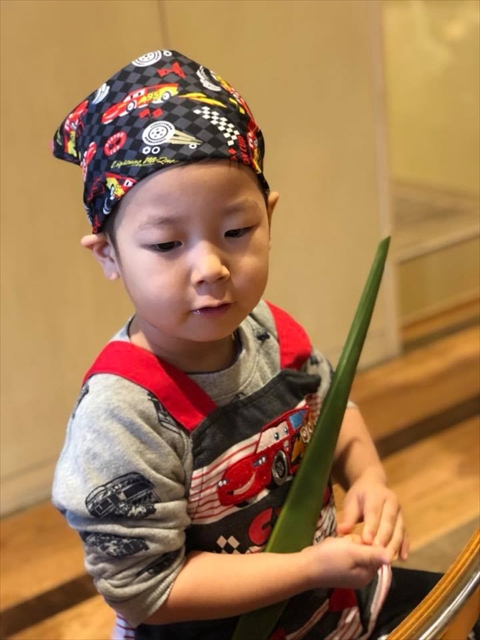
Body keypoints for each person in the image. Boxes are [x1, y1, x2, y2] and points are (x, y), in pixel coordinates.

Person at [51, 50, 453, 640]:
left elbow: (331, 414)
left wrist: (369, 478)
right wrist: (305, 568)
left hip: (331, 610)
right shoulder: (122, 418)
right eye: (166, 245)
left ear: (269, 218)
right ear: (108, 254)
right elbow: (147, 591)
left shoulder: (273, 333)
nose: (211, 267)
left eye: (236, 231)